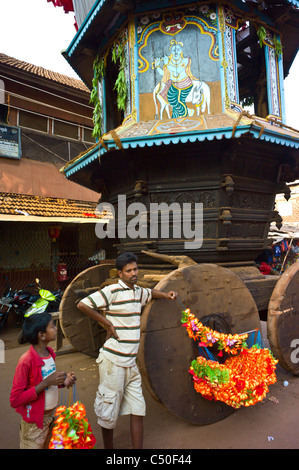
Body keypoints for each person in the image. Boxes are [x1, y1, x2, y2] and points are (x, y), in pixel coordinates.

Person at [77, 252, 177, 449]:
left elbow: (150, 293)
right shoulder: (112, 291)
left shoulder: (138, 291)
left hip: (131, 365)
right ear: (120, 274)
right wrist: (107, 323)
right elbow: (82, 304)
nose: (133, 273)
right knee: (108, 413)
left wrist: (166, 294)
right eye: (129, 271)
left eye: (135, 269)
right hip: (113, 362)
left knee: (138, 410)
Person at [10, 313, 76, 449]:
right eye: (52, 326)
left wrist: (63, 381)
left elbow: (49, 384)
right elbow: (15, 399)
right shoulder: (26, 361)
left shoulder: (50, 353)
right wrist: (46, 382)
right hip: (33, 424)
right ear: (42, 335)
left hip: (51, 417)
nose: (56, 328)